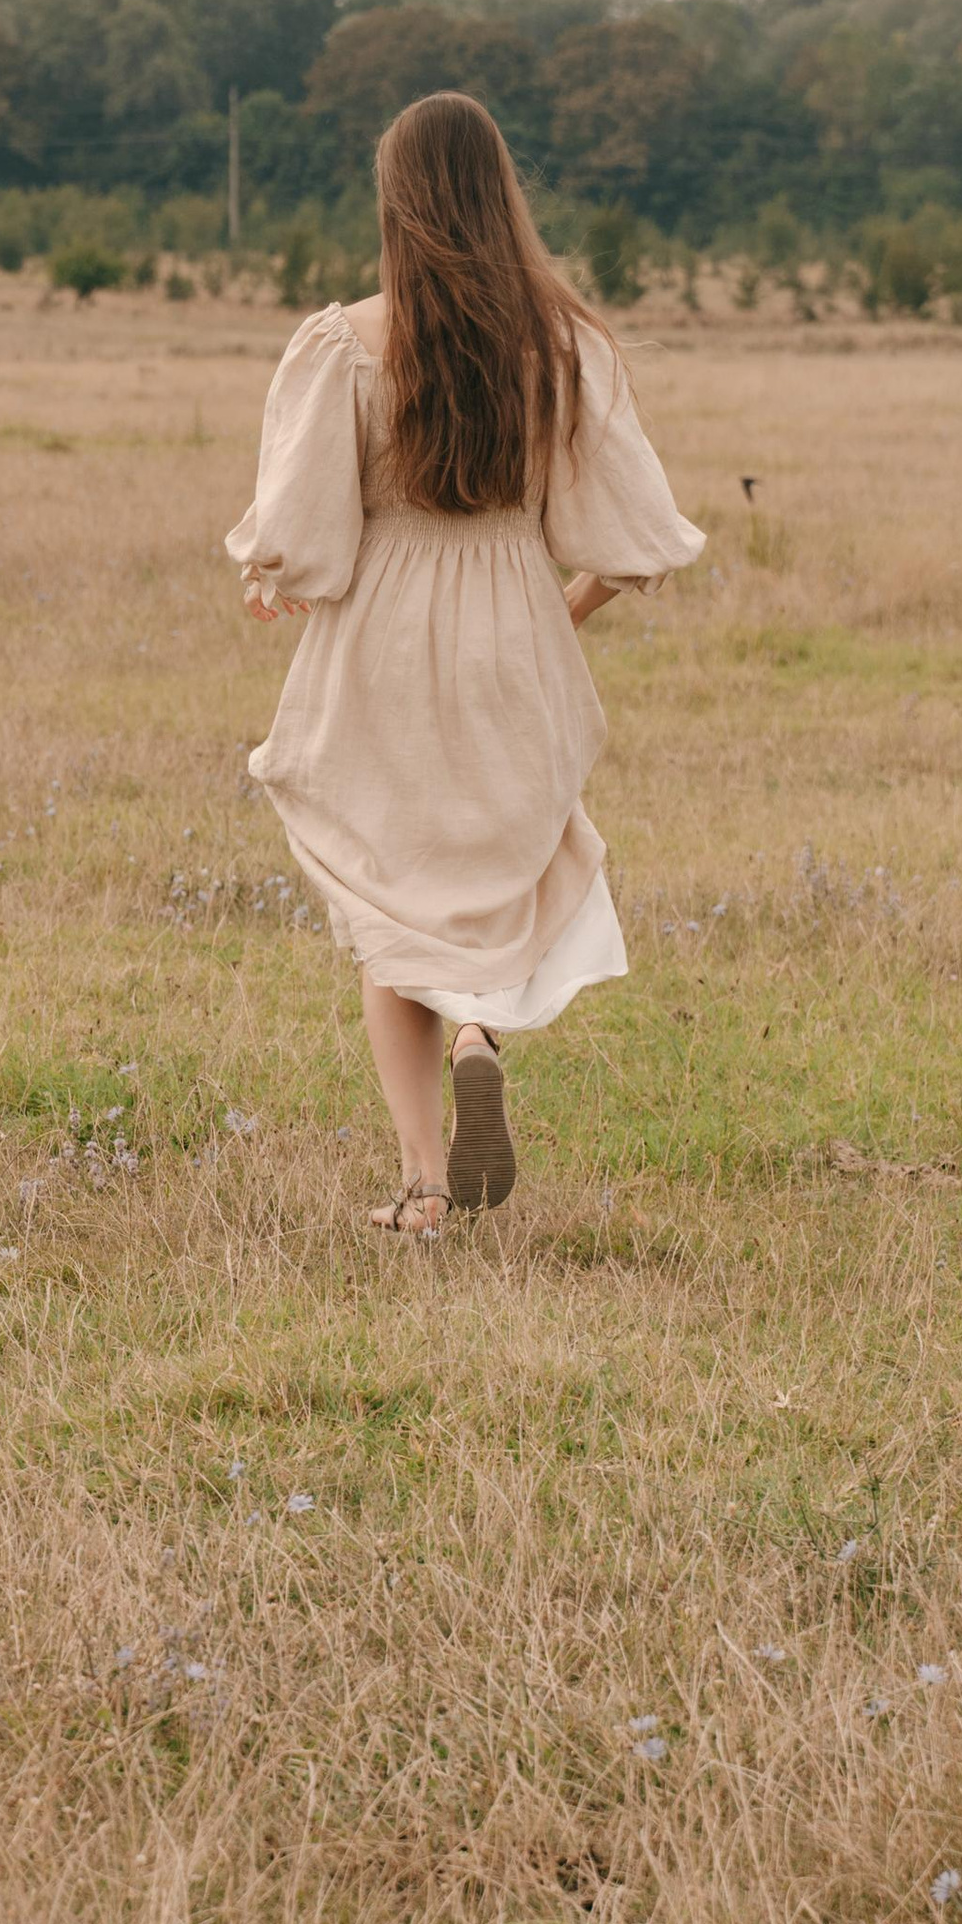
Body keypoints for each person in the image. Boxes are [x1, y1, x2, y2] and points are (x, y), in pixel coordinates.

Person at [224, 91, 703, 1235]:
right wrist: (549, 619)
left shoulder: (347, 338)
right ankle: (481, 1030)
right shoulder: (562, 345)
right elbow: (636, 545)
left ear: (397, 202)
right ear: (500, 193)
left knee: (391, 899)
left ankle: (423, 1188)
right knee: (487, 875)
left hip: (379, 643)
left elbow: (302, 533)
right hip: (511, 632)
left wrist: (279, 581)